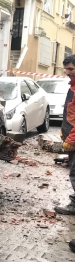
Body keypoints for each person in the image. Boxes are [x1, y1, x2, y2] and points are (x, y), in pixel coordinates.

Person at [56, 55, 75, 222]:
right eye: (66, 69)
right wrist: (64, 132)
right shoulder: (73, 87)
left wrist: (71, 139)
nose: (67, 72)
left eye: (71, 69)